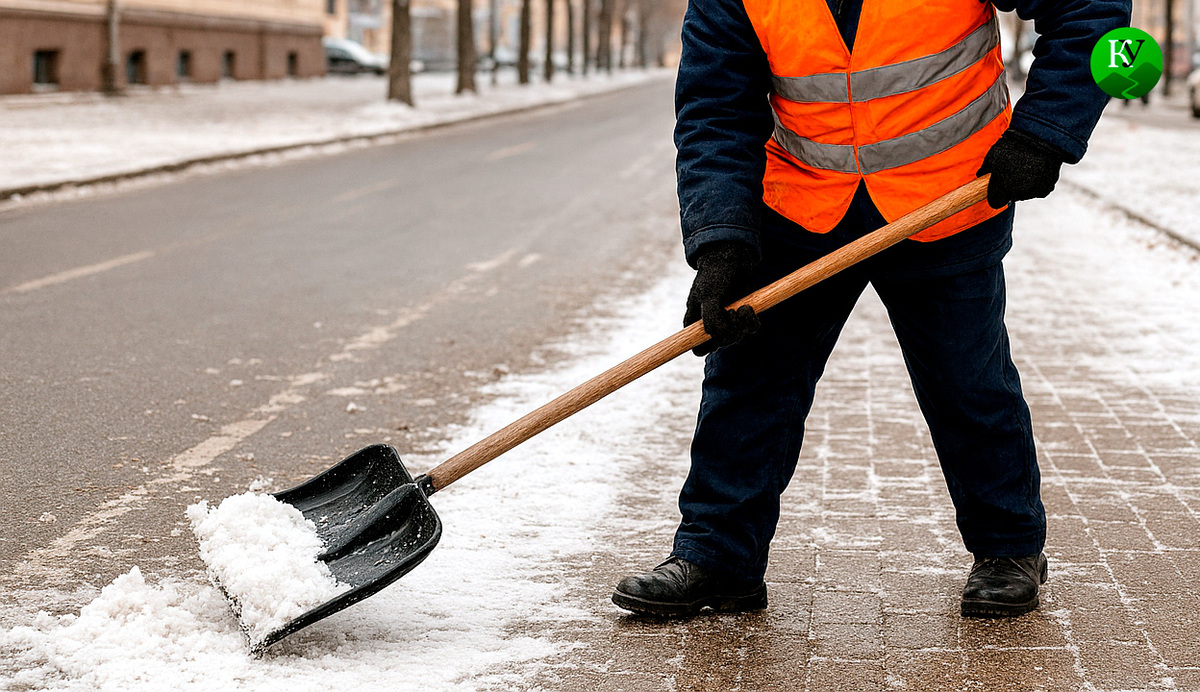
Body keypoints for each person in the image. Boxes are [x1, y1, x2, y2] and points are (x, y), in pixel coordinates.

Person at [612, 0, 1131, 618]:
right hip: (804, 204)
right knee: (750, 380)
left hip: (947, 196)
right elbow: (716, 109)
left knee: (968, 381)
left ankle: (1008, 549)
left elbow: (1093, 11)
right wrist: (722, 243)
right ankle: (720, 557)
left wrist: (1047, 130)